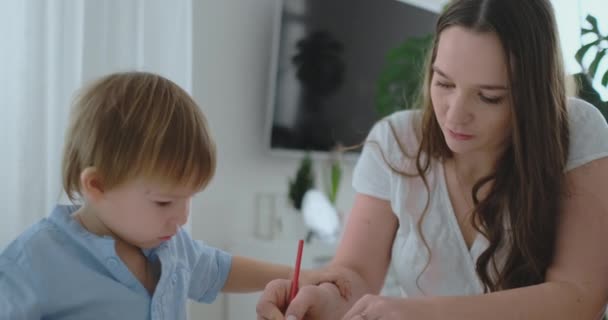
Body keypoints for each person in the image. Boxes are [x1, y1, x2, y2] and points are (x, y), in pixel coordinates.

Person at [256, 0, 608, 319]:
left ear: (531, 97)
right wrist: (323, 297)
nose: (454, 116)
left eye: (488, 97)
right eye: (444, 83)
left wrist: (420, 313)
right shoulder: (395, 142)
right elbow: (356, 275)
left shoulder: (575, 130)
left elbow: (578, 298)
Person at [0, 71, 349, 319]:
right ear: (97, 185)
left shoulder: (170, 245)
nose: (182, 217)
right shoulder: (34, 261)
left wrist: (297, 276)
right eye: (165, 202)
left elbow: (218, 269)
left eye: (189, 198)